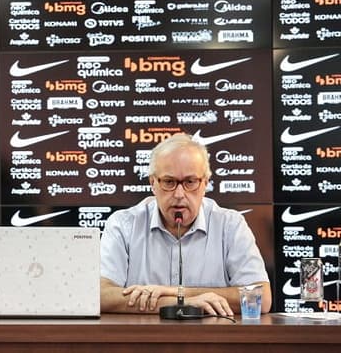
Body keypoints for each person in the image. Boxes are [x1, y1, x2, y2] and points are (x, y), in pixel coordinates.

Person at [100, 133, 271, 316]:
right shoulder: (123, 224)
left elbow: (260, 298)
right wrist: (183, 303)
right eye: (169, 182)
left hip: (211, 342)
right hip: (142, 341)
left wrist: (176, 292)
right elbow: (99, 295)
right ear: (153, 183)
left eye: (190, 182)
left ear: (205, 183)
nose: (179, 194)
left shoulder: (230, 225)